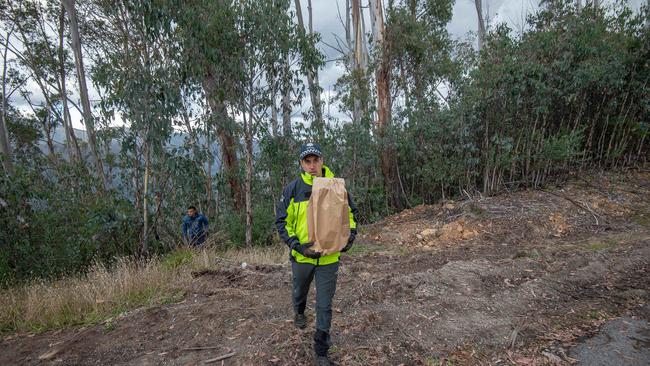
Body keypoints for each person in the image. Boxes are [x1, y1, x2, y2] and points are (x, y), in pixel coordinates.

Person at [275, 142, 358, 366]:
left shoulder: (337, 186)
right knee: (299, 291)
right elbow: (282, 222)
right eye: (307, 161)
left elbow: (350, 214)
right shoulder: (292, 190)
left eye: (316, 160)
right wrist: (297, 246)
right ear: (301, 164)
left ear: (322, 160)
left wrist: (349, 237)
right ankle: (299, 311)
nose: (312, 166)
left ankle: (321, 352)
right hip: (302, 257)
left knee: (324, 305)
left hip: (329, 258)